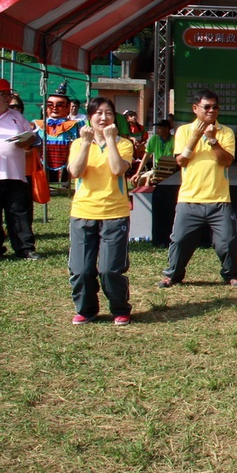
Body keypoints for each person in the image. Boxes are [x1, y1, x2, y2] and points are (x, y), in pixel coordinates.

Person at [158, 89, 237, 288]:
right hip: (189, 199)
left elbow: (227, 161)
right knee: (179, 240)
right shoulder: (183, 131)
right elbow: (181, 161)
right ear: (195, 108)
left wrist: (213, 140)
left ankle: (231, 274)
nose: (211, 111)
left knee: (227, 241)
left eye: (215, 107)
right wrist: (196, 136)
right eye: (207, 107)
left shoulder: (225, 132)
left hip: (219, 199)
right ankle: (174, 274)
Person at [66, 97, 134, 325]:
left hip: (114, 213)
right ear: (90, 117)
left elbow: (117, 169)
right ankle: (86, 310)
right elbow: (75, 171)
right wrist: (85, 143)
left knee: (110, 270)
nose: (103, 118)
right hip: (83, 213)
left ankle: (120, 308)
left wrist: (111, 140)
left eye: (108, 113)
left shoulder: (124, 144)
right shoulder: (78, 143)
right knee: (81, 270)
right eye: (98, 113)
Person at [0, 79, 40, 260]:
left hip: (16, 174)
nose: (8, 99)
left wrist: (28, 140)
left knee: (18, 212)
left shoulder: (17, 117)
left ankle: (25, 248)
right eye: (4, 96)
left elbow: (33, 138)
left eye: (8, 96)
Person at [34, 91, 80, 184]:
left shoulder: (75, 125)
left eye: (59, 105)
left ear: (67, 108)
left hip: (66, 152)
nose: (54, 108)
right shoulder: (38, 124)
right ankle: (46, 184)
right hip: (45, 154)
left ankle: (65, 184)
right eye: (50, 105)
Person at [131, 120, 175, 187]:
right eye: (157, 128)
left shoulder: (174, 139)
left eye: (160, 128)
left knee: (149, 181)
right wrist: (138, 172)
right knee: (138, 180)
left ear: (167, 129)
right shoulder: (154, 139)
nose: (157, 130)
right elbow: (146, 156)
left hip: (170, 171)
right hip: (156, 169)